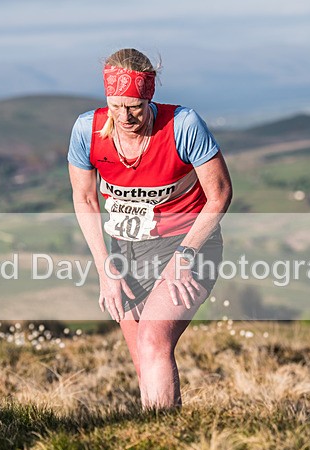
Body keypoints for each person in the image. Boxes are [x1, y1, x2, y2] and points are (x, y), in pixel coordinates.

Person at [68, 48, 232, 409]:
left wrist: (184, 256)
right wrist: (104, 267)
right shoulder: (87, 131)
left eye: (135, 107)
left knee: (153, 340)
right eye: (116, 106)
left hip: (189, 244)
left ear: (149, 96)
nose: (125, 116)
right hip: (126, 250)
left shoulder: (184, 125)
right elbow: (85, 200)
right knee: (143, 358)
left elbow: (219, 194)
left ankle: (163, 436)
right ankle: (158, 437)